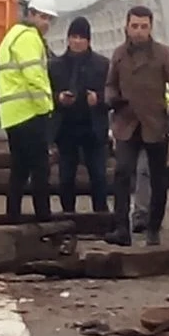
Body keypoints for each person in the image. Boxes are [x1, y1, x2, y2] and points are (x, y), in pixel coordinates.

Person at [104, 5, 169, 247]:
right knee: (122, 173)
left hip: (155, 124)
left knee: (158, 178)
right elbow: (110, 84)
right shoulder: (119, 54)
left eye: (144, 26)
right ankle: (121, 229)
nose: (139, 31)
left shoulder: (163, 54)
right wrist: (112, 98)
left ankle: (153, 228)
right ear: (127, 27)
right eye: (135, 26)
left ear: (151, 28)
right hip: (126, 122)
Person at [0, 0, 57, 219]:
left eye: (49, 19)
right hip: (29, 113)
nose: (46, 23)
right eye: (42, 17)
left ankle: (13, 217)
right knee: (40, 171)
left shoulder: (12, 35)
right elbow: (35, 78)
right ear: (30, 14)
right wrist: (46, 108)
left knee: (19, 172)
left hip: (13, 116)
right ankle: (44, 219)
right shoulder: (30, 38)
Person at [48, 16, 110, 214]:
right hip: (66, 129)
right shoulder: (55, 65)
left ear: (88, 40)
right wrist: (59, 98)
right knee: (66, 177)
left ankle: (101, 215)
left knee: (98, 176)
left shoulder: (102, 64)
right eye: (73, 37)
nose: (77, 41)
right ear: (67, 39)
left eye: (81, 38)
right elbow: (46, 94)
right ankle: (68, 215)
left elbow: (114, 94)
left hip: (93, 129)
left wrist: (99, 99)